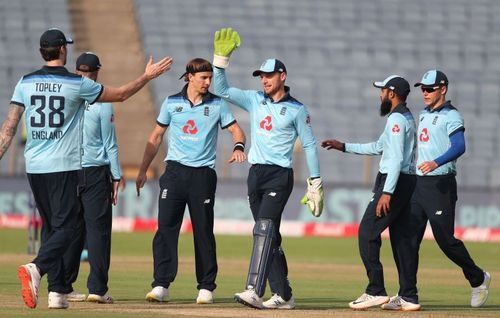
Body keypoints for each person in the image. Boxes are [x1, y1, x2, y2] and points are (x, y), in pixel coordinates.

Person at [0, 28, 172, 309]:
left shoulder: (25, 81)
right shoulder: (76, 84)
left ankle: (57, 292)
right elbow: (121, 95)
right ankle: (37, 268)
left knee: (51, 228)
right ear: (63, 51)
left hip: (34, 166)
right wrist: (147, 76)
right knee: (70, 227)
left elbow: (8, 128)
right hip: (64, 166)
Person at [211, 28, 324, 310]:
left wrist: (315, 181)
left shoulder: (297, 109)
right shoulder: (254, 99)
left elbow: (309, 145)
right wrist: (220, 61)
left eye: (268, 76)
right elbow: (221, 89)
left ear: (282, 76)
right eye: (261, 76)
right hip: (256, 174)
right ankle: (284, 295)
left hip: (279, 176)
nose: (264, 80)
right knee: (269, 233)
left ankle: (254, 289)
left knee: (263, 229)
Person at [136, 58, 246, 305]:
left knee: (203, 231)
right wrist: (143, 170)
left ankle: (206, 286)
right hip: (174, 173)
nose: (208, 82)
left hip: (202, 175)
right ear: (189, 77)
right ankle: (161, 285)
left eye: (209, 78)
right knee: (165, 230)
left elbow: (237, 131)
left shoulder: (218, 104)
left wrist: (238, 146)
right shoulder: (171, 103)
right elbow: (155, 136)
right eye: (204, 78)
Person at [382, 70, 491, 310]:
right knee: (405, 238)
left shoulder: (452, 115)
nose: (425, 93)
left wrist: (435, 162)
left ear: (443, 89)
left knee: (445, 240)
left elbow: (459, 146)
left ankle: (478, 277)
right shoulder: (422, 114)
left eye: (430, 89)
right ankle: (407, 294)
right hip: (418, 184)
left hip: (440, 184)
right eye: (423, 89)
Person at [322, 75, 419, 310]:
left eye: (383, 91)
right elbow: (379, 147)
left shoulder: (396, 119)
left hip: (393, 182)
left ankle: (375, 290)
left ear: (392, 94)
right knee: (401, 239)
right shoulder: (405, 116)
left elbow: (394, 158)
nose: (380, 95)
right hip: (406, 181)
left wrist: (387, 192)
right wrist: (344, 146)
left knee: (367, 232)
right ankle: (408, 295)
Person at [62, 52, 125, 304]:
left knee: (70, 230)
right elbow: (110, 144)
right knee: (98, 232)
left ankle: (63, 285)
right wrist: (117, 175)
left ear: (77, 71)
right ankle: (97, 289)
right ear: (97, 73)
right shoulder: (102, 101)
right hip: (95, 173)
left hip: (66, 170)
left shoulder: (66, 97)